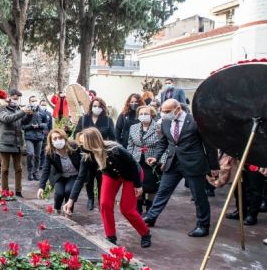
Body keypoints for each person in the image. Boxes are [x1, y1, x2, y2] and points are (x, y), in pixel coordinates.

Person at [62, 128, 152, 248]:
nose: (81, 145)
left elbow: (132, 164)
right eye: (80, 142)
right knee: (104, 204)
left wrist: (138, 185)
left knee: (127, 209)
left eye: (84, 142)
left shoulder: (115, 149)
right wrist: (70, 201)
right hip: (111, 175)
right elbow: (80, 178)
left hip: (131, 175)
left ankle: (145, 233)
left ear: (93, 141)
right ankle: (111, 236)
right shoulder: (86, 156)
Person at [143, 99, 220, 237]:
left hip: (193, 164)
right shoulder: (166, 122)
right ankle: (151, 217)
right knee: (162, 191)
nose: (164, 114)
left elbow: (210, 145)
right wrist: (156, 157)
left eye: (167, 112)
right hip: (173, 163)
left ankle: (203, 225)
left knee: (198, 196)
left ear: (178, 109)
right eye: (162, 111)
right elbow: (164, 142)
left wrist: (214, 166)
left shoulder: (196, 121)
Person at [74, 97, 116, 210]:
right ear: (91, 107)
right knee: (89, 178)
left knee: (101, 178)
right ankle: (90, 199)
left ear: (103, 108)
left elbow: (113, 138)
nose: (96, 108)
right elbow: (77, 134)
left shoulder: (107, 120)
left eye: (99, 106)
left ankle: (101, 200)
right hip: (86, 153)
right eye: (94, 106)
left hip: (101, 154)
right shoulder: (84, 119)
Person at [0, 89, 34, 197]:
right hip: (5, 143)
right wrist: (22, 111)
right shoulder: (1, 108)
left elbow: (23, 122)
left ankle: (18, 191)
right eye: (14, 98)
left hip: (17, 143)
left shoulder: (18, 109)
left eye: (17, 99)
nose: (16, 101)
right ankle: (5, 191)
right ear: (8, 98)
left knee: (19, 169)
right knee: (4, 169)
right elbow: (7, 119)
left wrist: (29, 115)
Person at [127, 105, 161, 214]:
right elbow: (130, 145)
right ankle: (138, 207)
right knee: (138, 184)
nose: (143, 116)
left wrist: (162, 161)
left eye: (146, 114)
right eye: (141, 114)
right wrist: (129, 159)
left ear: (152, 115)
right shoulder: (133, 127)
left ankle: (150, 208)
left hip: (152, 161)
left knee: (151, 187)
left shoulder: (158, 127)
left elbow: (163, 146)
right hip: (137, 161)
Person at [37, 129, 81, 212]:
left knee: (69, 191)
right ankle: (57, 209)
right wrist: (41, 187)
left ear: (64, 138)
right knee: (59, 193)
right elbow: (46, 169)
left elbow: (82, 162)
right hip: (59, 176)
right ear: (51, 141)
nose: (58, 140)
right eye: (55, 138)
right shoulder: (50, 152)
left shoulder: (74, 146)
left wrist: (84, 178)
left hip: (73, 175)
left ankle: (69, 210)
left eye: (60, 137)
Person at [23, 95, 48, 181]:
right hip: (29, 137)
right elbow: (22, 126)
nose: (34, 102)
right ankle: (30, 172)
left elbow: (46, 124)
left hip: (39, 137)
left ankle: (36, 172)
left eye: (35, 100)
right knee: (30, 154)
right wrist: (30, 126)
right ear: (29, 102)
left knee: (38, 156)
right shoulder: (26, 112)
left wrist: (39, 125)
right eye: (32, 101)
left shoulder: (42, 112)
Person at [38, 98, 53, 172]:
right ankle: (38, 165)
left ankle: (42, 165)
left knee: (44, 149)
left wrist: (50, 134)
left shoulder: (49, 114)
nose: (44, 106)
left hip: (46, 134)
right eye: (42, 105)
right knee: (39, 150)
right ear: (39, 105)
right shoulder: (37, 113)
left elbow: (50, 125)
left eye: (45, 105)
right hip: (39, 134)